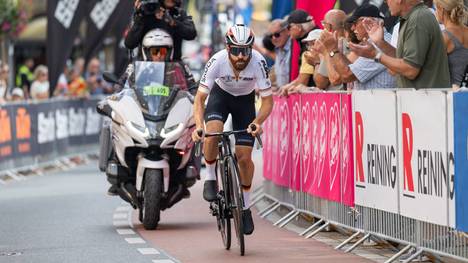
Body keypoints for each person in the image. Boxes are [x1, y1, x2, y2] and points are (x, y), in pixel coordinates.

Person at [191, 25, 274, 235]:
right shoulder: (217, 61)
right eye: (235, 50)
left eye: (245, 50)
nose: (240, 56)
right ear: (227, 48)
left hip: (245, 103)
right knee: (213, 133)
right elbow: (200, 99)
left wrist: (258, 121)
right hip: (220, 98)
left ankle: (245, 208)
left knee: (244, 158)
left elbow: (267, 101)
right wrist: (199, 126)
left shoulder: (258, 61)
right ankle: (210, 176)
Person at [349, 0, 451, 89]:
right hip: (421, 100)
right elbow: (402, 60)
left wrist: (376, 55)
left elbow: (410, 70)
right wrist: (380, 43)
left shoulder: (418, 19)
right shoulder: (413, 17)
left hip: (426, 102)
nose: (385, 2)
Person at [318, 4, 396, 90]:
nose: (352, 28)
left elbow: (346, 75)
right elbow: (351, 69)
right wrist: (339, 53)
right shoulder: (375, 42)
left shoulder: (380, 44)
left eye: (355, 23)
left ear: (369, 22)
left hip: (379, 102)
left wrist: (332, 50)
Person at [125, 0, 197, 61]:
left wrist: (173, 22)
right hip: (146, 68)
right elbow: (130, 44)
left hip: (173, 68)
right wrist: (139, 17)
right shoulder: (146, 12)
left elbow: (191, 34)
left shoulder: (180, 14)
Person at [434, 0, 468, 88]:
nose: (435, 12)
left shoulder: (444, 37)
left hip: (453, 97)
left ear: (441, 9)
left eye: (435, 8)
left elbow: (431, 70)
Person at [268, 19, 291, 89]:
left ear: (287, 31)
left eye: (277, 34)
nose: (273, 38)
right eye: (270, 36)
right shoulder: (278, 50)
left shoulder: (294, 48)